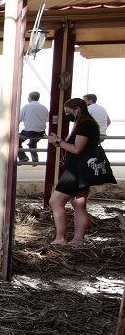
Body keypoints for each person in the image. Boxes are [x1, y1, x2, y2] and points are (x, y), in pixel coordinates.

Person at [47, 97, 117, 245]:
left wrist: (58, 142)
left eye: (68, 112)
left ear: (78, 109)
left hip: (77, 171)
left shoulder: (85, 124)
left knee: (55, 201)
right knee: (78, 204)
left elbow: (77, 149)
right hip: (83, 170)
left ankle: (60, 238)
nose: (68, 115)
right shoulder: (88, 123)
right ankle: (78, 239)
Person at [18, 91, 48, 165]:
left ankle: (22, 157)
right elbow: (46, 119)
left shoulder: (26, 107)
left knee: (16, 141)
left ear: (30, 97)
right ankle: (35, 158)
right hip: (41, 133)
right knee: (32, 143)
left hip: (29, 132)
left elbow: (18, 119)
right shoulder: (44, 107)